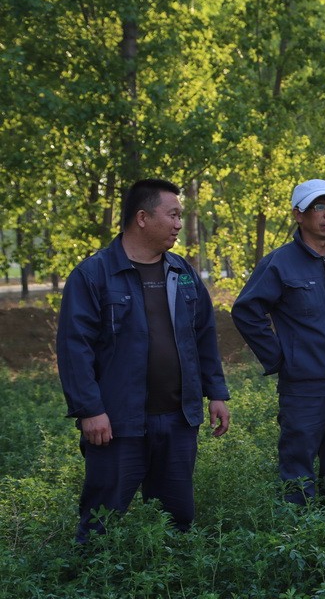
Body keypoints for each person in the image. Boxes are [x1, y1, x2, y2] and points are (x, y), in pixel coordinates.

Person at [57, 179, 231, 543]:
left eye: (180, 216)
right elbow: (75, 349)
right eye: (172, 215)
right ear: (142, 217)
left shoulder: (182, 273)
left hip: (178, 420)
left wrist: (216, 392)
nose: (178, 224)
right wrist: (90, 409)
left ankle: (175, 579)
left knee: (177, 521)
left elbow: (203, 336)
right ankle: (91, 580)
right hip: (118, 423)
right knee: (101, 521)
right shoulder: (93, 275)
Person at [231, 179, 325, 516]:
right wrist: (280, 357)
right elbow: (246, 310)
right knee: (297, 471)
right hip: (305, 389)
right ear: (299, 214)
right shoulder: (280, 263)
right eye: (319, 207)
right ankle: (299, 540)